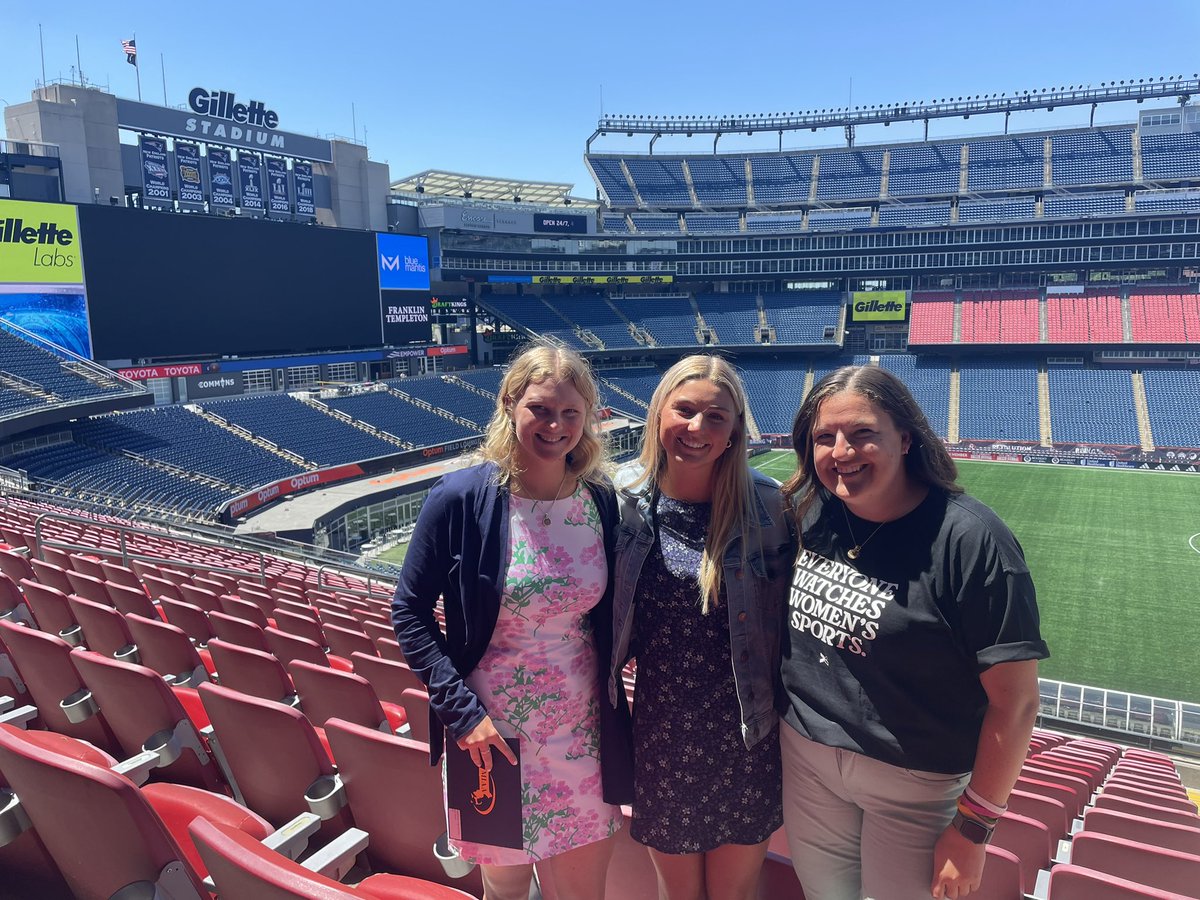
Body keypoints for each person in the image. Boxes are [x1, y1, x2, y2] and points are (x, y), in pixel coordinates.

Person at [778, 365, 1049, 900]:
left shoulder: (971, 541)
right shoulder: (808, 513)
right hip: (808, 763)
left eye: (862, 434)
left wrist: (974, 828)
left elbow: (1016, 703)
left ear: (904, 438)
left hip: (915, 785)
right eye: (823, 437)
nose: (841, 451)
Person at [392, 344, 633, 900]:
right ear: (509, 405)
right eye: (541, 410)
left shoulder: (599, 500)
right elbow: (409, 610)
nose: (556, 425)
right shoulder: (459, 497)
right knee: (505, 893)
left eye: (571, 412)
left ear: (589, 416)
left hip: (582, 738)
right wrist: (461, 713)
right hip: (489, 738)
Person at [609, 355, 795, 900]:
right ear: (658, 414)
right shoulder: (618, 502)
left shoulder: (769, 506)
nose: (697, 428)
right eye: (685, 410)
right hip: (662, 736)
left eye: (716, 417)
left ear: (736, 428)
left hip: (748, 735)